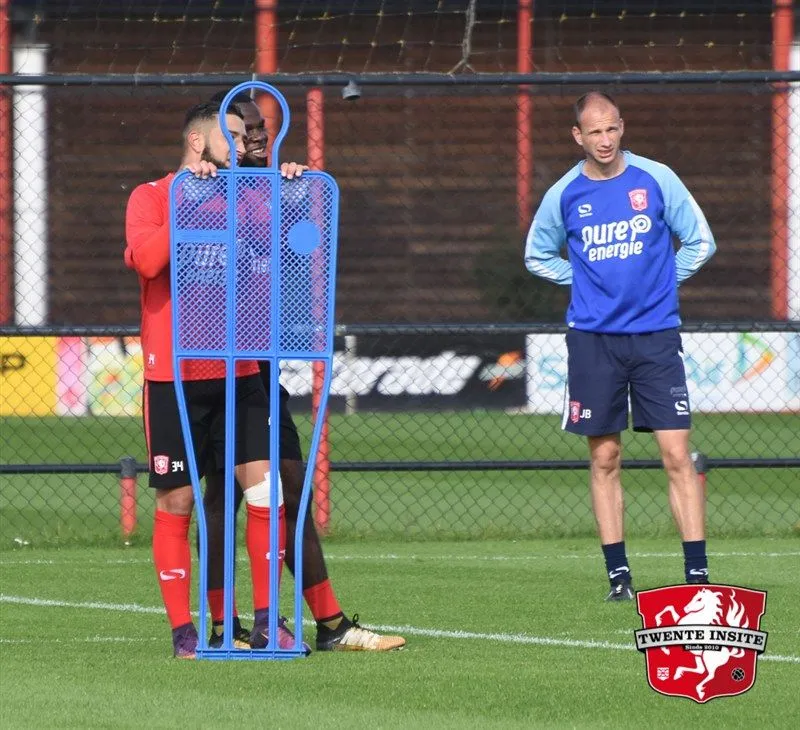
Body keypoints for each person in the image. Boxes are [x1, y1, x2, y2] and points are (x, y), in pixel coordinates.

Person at [200, 89, 406, 652]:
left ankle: (331, 623)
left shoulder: (275, 190)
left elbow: (295, 259)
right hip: (210, 369)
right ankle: (224, 626)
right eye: (245, 128)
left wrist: (293, 194)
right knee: (220, 498)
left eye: (262, 126)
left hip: (261, 369)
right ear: (220, 134)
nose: (258, 135)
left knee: (288, 488)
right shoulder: (199, 191)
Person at [125, 100, 302, 658]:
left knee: (265, 489)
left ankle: (268, 620)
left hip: (240, 367)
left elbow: (290, 248)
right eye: (231, 136)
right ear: (199, 145)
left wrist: (292, 191)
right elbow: (149, 263)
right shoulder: (151, 196)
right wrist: (187, 201)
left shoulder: (246, 194)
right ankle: (184, 630)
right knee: (177, 502)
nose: (244, 143)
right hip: (174, 376)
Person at [524, 91, 717, 601]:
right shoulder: (564, 193)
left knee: (676, 453)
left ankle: (696, 576)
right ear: (578, 136)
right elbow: (536, 255)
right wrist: (585, 283)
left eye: (612, 129)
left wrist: (662, 283)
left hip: (656, 336)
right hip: (593, 341)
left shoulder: (657, 178)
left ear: (621, 128)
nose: (605, 140)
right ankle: (619, 578)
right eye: (594, 132)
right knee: (605, 457)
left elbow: (701, 242)